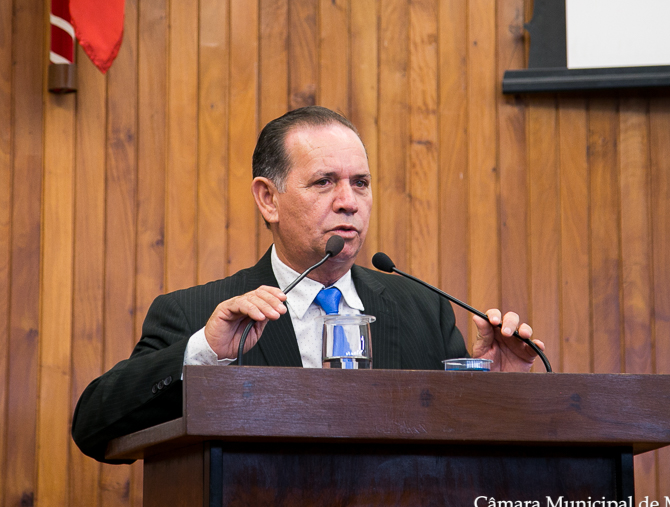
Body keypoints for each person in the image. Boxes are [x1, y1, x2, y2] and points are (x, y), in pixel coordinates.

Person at [72, 106, 545, 463]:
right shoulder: (197, 314)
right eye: (324, 182)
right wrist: (204, 353)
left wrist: (492, 390)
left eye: (360, 183)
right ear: (268, 199)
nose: (348, 202)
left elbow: (460, 449)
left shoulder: (423, 309)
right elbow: (94, 428)